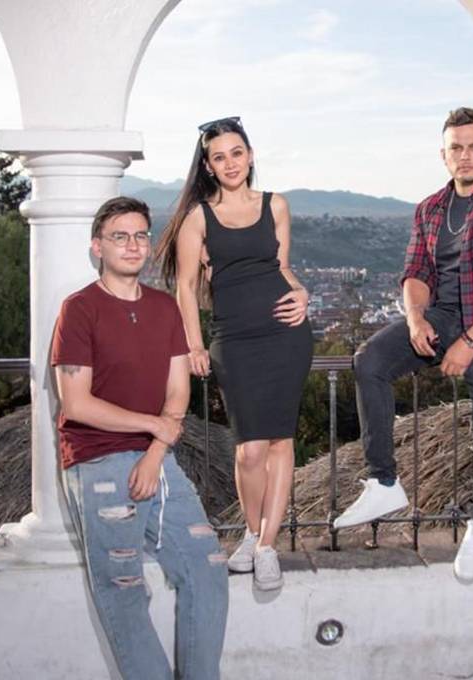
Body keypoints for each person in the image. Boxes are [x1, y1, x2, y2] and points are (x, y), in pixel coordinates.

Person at [332, 107, 473, 582]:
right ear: (443, 155)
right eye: (456, 148)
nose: (465, 156)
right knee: (370, 361)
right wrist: (414, 320)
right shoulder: (430, 208)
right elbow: (416, 274)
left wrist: (470, 341)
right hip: (444, 316)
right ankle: (383, 479)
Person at [53, 196, 228, 680]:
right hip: (96, 460)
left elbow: (177, 391)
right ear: (97, 247)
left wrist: (155, 452)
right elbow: (76, 404)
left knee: (207, 569)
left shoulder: (164, 308)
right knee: (125, 587)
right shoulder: (79, 310)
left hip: (155, 457)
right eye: (119, 236)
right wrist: (151, 426)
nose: (133, 245)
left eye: (140, 235)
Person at [155, 116, 313, 591]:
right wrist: (194, 343)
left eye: (237, 153)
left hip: (287, 335)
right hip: (234, 339)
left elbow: (283, 267)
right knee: (249, 450)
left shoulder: (276, 205)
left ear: (250, 155)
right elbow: (185, 286)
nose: (230, 163)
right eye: (219, 156)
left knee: (281, 443)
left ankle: (266, 546)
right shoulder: (198, 218)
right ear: (207, 164)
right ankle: (251, 530)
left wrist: (302, 293)